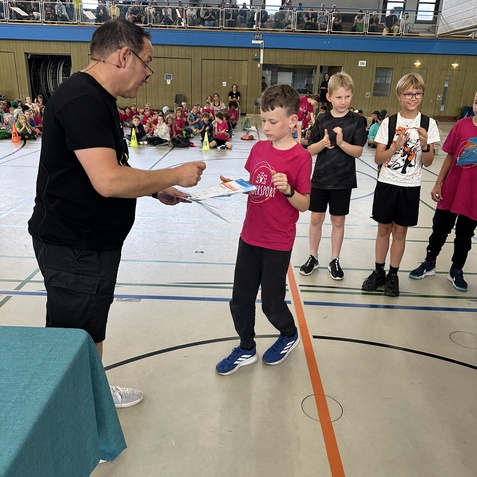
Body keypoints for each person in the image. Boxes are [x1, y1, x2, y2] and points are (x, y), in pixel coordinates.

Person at [28, 19, 205, 410]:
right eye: (147, 62)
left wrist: (154, 187)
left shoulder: (98, 98)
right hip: (74, 245)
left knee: (89, 326)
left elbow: (110, 168)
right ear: (125, 55)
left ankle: (91, 395)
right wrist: (174, 174)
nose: (148, 74)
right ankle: (76, 415)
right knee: (72, 337)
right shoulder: (83, 100)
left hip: (92, 243)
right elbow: (108, 181)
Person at [216, 84, 312, 375]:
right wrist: (235, 186)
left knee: (272, 303)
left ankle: (289, 334)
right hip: (250, 236)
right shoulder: (258, 148)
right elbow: (256, 186)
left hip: (277, 242)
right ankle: (246, 347)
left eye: (272, 122)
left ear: (292, 121)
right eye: (263, 121)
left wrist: (288, 190)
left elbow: (304, 204)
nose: (266, 127)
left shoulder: (301, 157)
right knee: (240, 299)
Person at [361, 73, 440, 297]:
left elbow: (428, 162)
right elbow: (378, 158)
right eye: (408, 94)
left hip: (410, 186)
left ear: (422, 95)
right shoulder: (390, 122)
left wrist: (425, 145)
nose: (413, 98)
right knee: (383, 229)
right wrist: (395, 147)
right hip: (387, 183)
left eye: (417, 93)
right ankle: (378, 271)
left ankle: (393, 274)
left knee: (400, 231)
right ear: (399, 96)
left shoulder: (428, 124)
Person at [299, 72, 367, 279]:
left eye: (347, 96)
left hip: (343, 181)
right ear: (329, 97)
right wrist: (323, 143)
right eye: (338, 97)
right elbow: (310, 150)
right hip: (320, 179)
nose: (343, 101)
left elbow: (358, 151)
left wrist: (342, 143)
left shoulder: (357, 121)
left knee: (338, 221)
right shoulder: (322, 119)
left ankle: (334, 259)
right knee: (316, 219)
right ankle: (313, 256)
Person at [409, 91, 477, 292]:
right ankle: (429, 262)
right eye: (476, 102)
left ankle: (456, 270)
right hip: (452, 188)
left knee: (465, 234)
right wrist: (439, 183)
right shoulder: (461, 126)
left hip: (472, 195)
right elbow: (450, 156)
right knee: (439, 228)